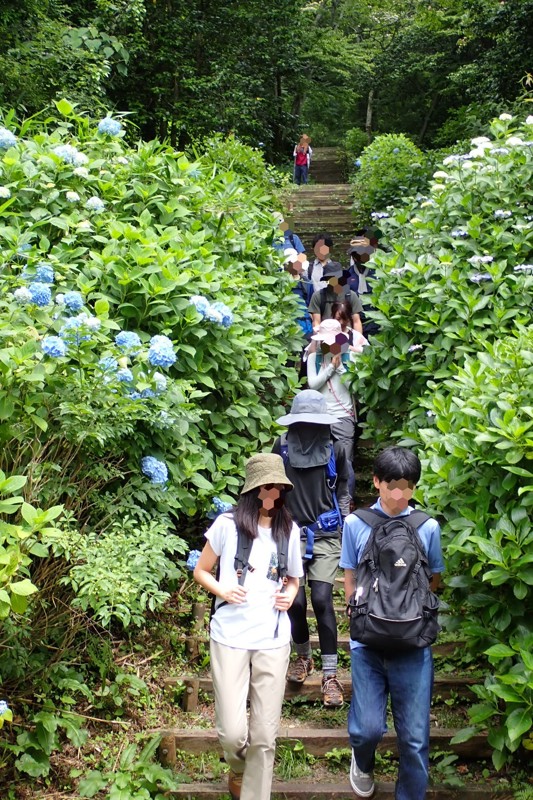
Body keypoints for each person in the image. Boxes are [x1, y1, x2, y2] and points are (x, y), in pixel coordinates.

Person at [193, 453, 303, 800]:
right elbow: (201, 570)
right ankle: (239, 768)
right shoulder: (227, 525)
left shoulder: (290, 530)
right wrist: (222, 589)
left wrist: (289, 594)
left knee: (265, 737)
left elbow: (294, 580)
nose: (272, 495)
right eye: (266, 488)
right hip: (230, 636)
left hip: (272, 638)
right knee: (231, 732)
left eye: (278, 488)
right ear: (252, 490)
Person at [340, 446, 444, 799]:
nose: (400, 495)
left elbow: (434, 579)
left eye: (407, 487)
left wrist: (407, 611)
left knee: (414, 740)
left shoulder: (428, 527)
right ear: (376, 483)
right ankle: (363, 762)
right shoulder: (355, 524)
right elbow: (349, 576)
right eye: (392, 486)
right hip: (368, 644)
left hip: (413, 645)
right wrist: (360, 613)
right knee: (367, 730)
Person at [272, 389, 350, 708]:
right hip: (290, 533)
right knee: (295, 600)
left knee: (320, 598)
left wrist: (348, 531)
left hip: (327, 533)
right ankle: (303, 657)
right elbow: (272, 488)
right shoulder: (282, 446)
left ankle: (330, 676)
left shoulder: (337, 448)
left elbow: (344, 488)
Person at [306, 319, 367, 506]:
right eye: (323, 341)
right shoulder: (313, 358)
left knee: (346, 463)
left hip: (343, 417)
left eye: (330, 341)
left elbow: (356, 389)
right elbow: (313, 385)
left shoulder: (351, 358)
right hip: (319, 417)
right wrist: (331, 367)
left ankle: (344, 503)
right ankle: (322, 502)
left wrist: (340, 367)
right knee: (318, 461)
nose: (326, 345)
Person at [308, 261, 364, 334]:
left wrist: (357, 341)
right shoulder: (318, 296)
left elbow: (356, 322)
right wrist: (318, 340)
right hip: (326, 336)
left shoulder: (350, 295)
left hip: (346, 336)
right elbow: (316, 322)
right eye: (330, 278)